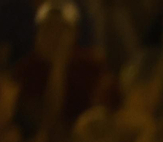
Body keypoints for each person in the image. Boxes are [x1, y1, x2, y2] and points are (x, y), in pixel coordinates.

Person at [12, 0, 115, 135]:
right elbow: (45, 123)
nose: (54, 36)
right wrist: (58, 66)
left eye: (61, 29)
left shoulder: (91, 66)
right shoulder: (25, 70)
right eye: (48, 28)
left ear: (74, 33)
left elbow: (107, 110)